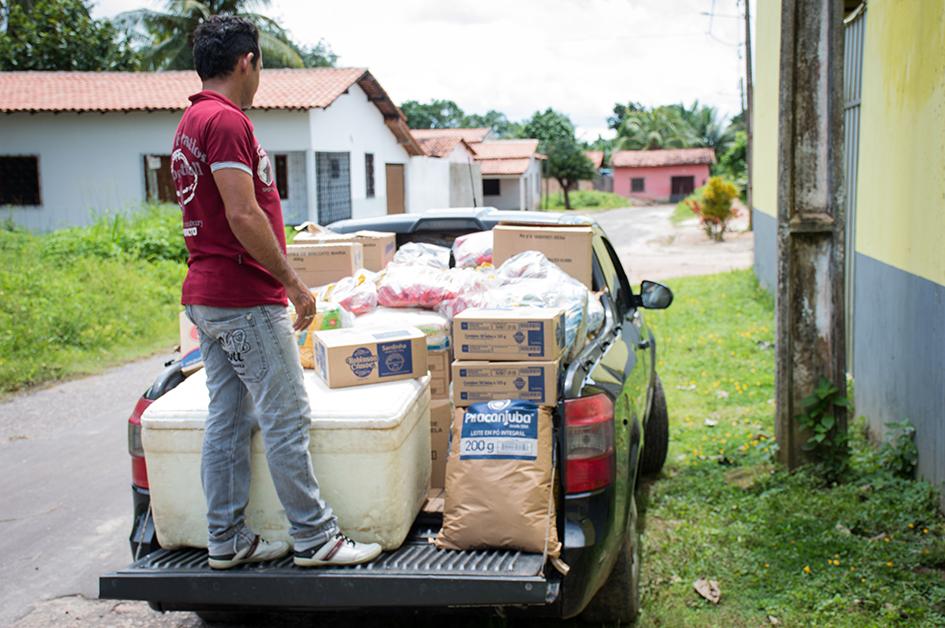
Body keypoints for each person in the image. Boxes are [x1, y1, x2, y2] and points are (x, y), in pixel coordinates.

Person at [171, 15, 381, 570]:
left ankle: (227, 539)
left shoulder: (191, 120)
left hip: (206, 294)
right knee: (287, 416)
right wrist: (293, 283)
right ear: (248, 62)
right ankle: (317, 538)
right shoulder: (226, 121)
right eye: (260, 65)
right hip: (243, 297)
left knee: (228, 417)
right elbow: (242, 213)